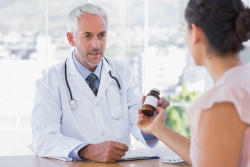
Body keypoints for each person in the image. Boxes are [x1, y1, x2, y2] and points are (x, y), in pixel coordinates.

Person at [31, 3, 169, 163]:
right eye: (87, 36)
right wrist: (87, 150)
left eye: (101, 35)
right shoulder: (49, 81)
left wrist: (150, 124)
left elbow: (138, 126)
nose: (96, 44)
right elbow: (43, 139)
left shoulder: (123, 74)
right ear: (71, 39)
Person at [137, 0, 250, 167]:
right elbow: (210, 154)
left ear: (196, 32)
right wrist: (157, 128)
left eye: (185, 30)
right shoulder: (243, 81)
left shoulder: (222, 102)